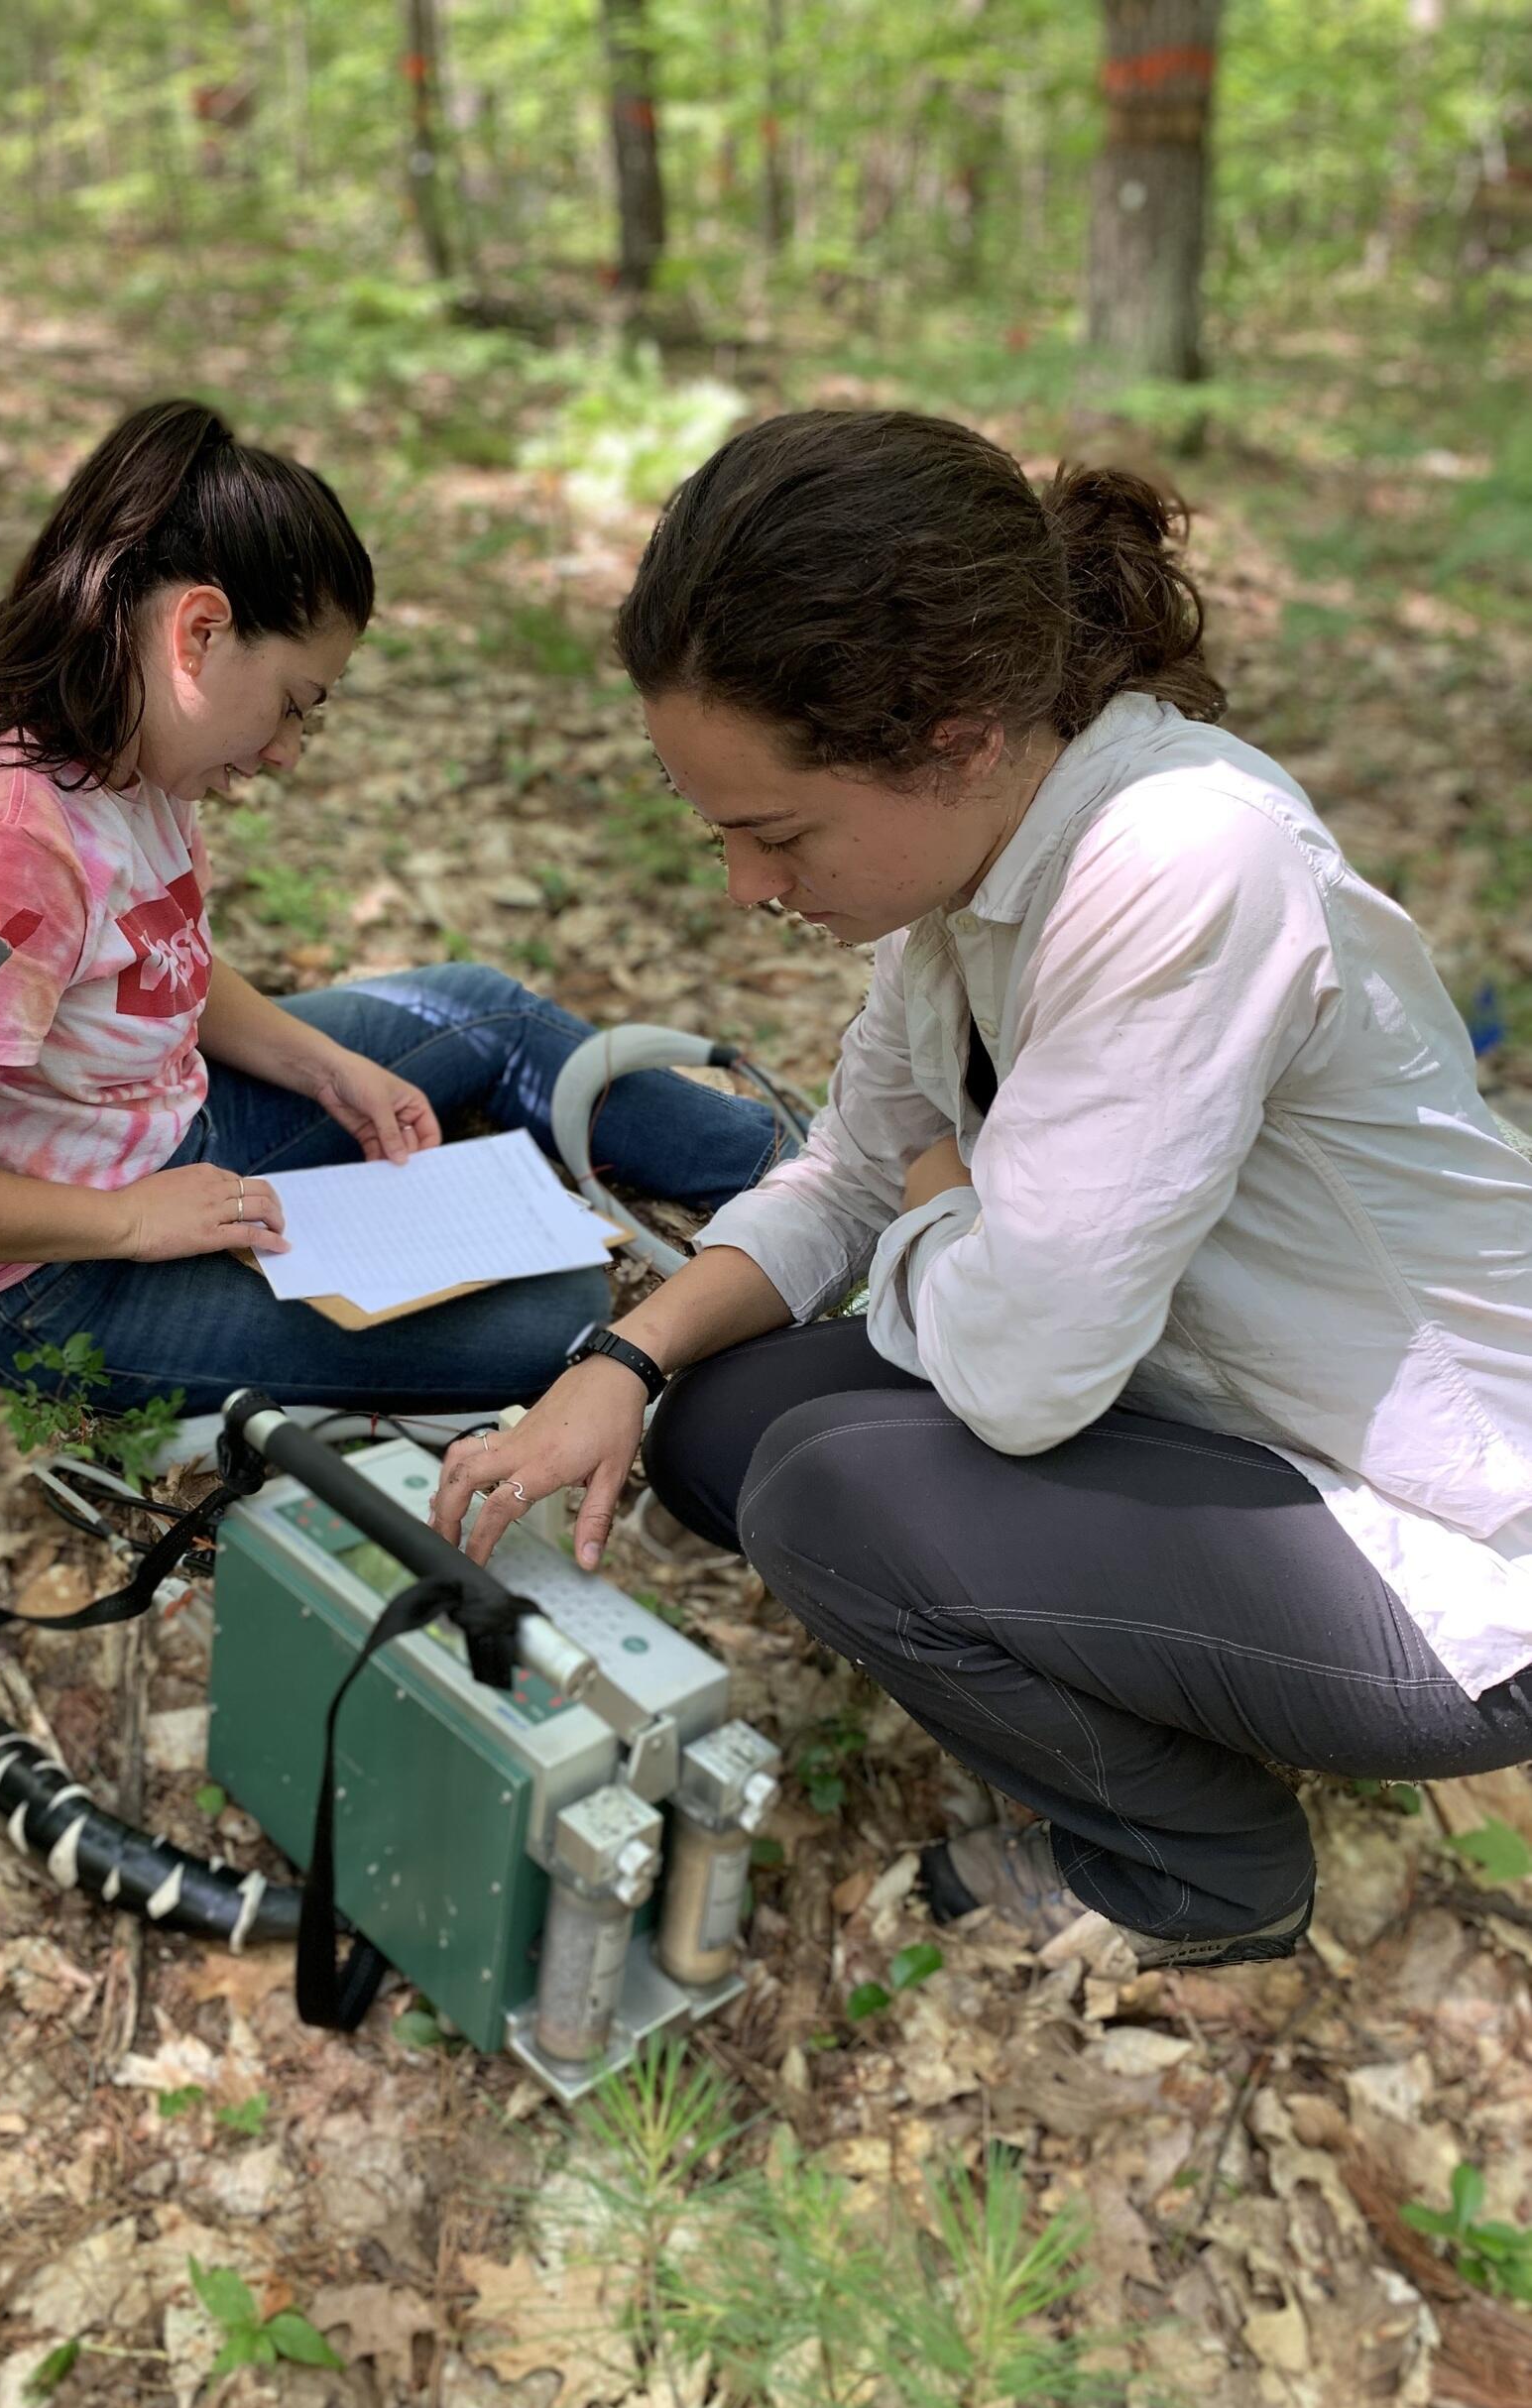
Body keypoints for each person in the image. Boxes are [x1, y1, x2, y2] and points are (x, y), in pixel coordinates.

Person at [429, 407, 1532, 1974]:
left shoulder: (1178, 865)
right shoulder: (962, 863)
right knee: (720, 1425)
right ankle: (1113, 1672)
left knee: (826, 1493)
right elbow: (841, 1170)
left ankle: (1202, 1872)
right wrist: (617, 1363)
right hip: (1202, 1400)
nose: (746, 886)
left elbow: (1016, 1372)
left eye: (773, 832)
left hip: (1450, 1548)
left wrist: (942, 1200)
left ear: (950, 733)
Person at [0, 400, 781, 1415]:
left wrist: (326, 1068)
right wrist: (131, 1221)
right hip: (50, 1276)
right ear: (201, 631)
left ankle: (803, 1174)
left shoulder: (119, 743)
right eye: (295, 705)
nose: (285, 753)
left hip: (169, 1125)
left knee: (480, 1013)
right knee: (557, 1317)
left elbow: (146, 960)